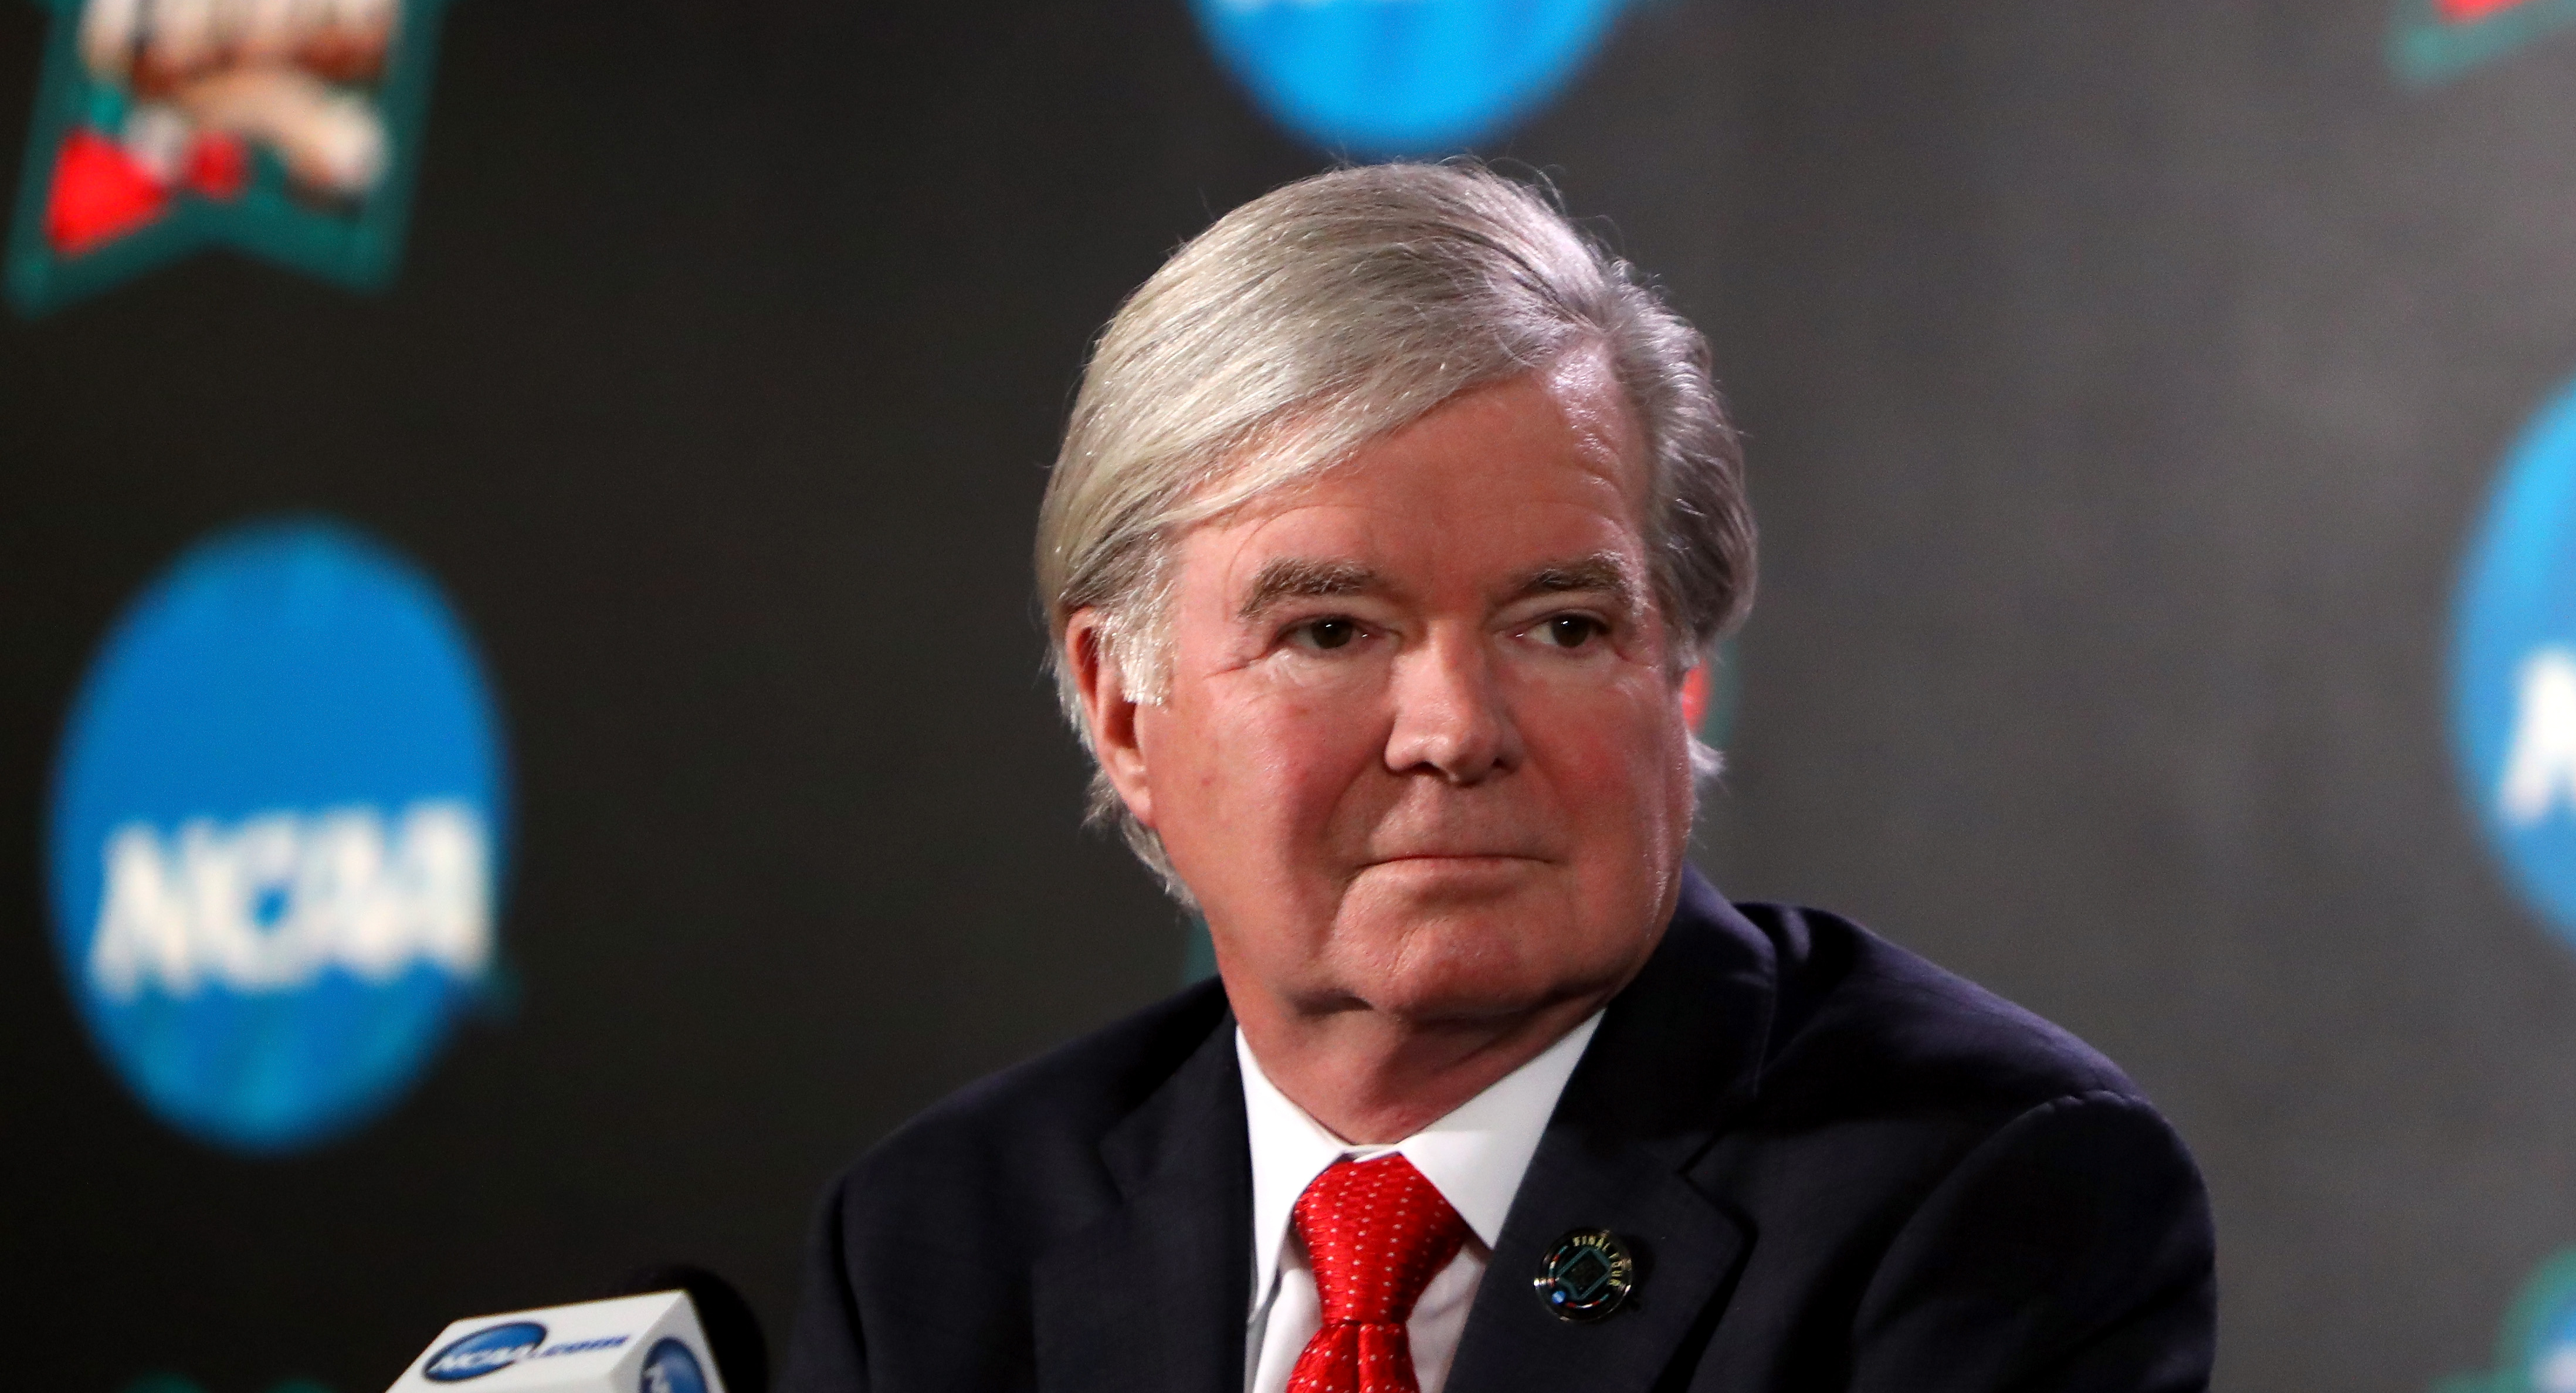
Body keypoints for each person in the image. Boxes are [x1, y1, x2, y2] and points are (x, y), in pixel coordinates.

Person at [784, 163, 2214, 1393]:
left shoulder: (1978, 1187)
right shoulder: (938, 1239)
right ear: (1122, 707)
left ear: (1675, 670)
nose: (1455, 728)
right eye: (1331, 630)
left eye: (1562, 626)